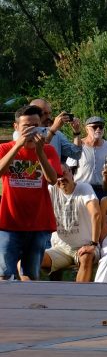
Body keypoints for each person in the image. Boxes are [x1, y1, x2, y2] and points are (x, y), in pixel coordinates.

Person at [1, 104, 61, 280]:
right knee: (4, 275)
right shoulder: (5, 149)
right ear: (16, 127)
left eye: (35, 125)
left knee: (31, 275)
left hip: (38, 223)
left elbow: (52, 179)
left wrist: (40, 152)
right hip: (9, 223)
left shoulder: (48, 150)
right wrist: (18, 146)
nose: (31, 130)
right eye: (26, 126)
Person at [42, 157, 100, 282]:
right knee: (31, 258)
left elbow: (96, 214)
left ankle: (77, 294)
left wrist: (94, 244)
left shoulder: (84, 188)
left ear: (71, 173)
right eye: (57, 176)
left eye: (64, 173)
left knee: (86, 257)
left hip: (85, 246)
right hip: (60, 249)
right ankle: (32, 293)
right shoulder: (51, 190)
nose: (61, 179)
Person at [75, 116, 107, 198]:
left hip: (101, 191)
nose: (98, 129)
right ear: (86, 129)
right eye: (95, 127)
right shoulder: (78, 145)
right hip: (82, 190)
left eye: (101, 127)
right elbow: (70, 169)